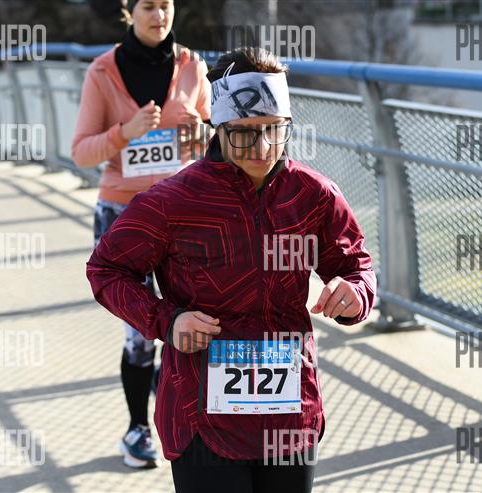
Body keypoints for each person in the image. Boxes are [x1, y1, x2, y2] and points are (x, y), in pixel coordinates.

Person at [86, 46, 376, 492]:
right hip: (201, 413)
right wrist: (167, 320)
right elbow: (106, 269)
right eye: (243, 133)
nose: (262, 148)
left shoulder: (314, 195)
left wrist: (355, 293)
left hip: (288, 412)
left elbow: (356, 264)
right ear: (218, 127)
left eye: (273, 130)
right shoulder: (172, 201)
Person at [71, 0, 211, 468]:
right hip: (123, 213)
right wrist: (123, 133)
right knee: (140, 331)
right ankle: (137, 430)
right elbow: (81, 153)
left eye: (166, 5)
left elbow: (217, 143)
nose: (159, 15)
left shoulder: (192, 66)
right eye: (148, 6)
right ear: (129, 11)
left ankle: (187, 417)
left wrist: (203, 134)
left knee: (188, 317)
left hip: (182, 212)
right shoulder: (102, 72)